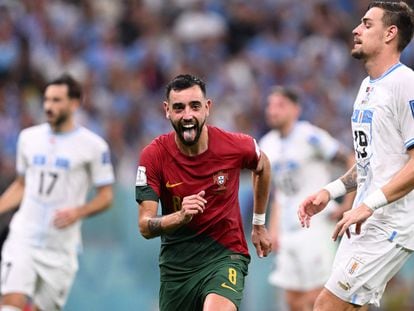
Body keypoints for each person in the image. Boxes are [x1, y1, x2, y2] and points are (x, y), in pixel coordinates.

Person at [298, 1, 414, 310]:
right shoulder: (367, 87)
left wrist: (368, 205)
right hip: (363, 220)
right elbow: (369, 164)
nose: (355, 29)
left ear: (390, 33)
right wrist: (330, 191)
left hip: (388, 224)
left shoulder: (406, 85)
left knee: (325, 306)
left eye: (366, 24)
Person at [135, 73, 272, 311]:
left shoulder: (235, 146)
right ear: (167, 110)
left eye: (194, 106)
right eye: (179, 108)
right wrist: (180, 216)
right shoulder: (153, 156)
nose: (188, 115)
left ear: (207, 108)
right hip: (177, 268)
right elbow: (145, 226)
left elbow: (263, 166)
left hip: (225, 256)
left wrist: (258, 223)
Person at [0, 74, 115, 311]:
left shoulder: (93, 146)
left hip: (61, 247)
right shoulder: (28, 138)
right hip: (24, 237)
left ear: (74, 103)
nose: (49, 106)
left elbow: (106, 196)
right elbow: (22, 185)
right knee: (10, 305)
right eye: (47, 100)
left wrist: (78, 211)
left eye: (56, 100)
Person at [259, 86, 353, 311]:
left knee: (319, 296)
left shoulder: (310, 136)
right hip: (287, 228)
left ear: (295, 109)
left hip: (316, 225)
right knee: (293, 300)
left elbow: (350, 160)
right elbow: (278, 192)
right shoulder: (266, 144)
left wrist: (347, 205)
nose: (273, 111)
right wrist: (272, 229)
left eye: (280, 105)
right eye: (270, 105)